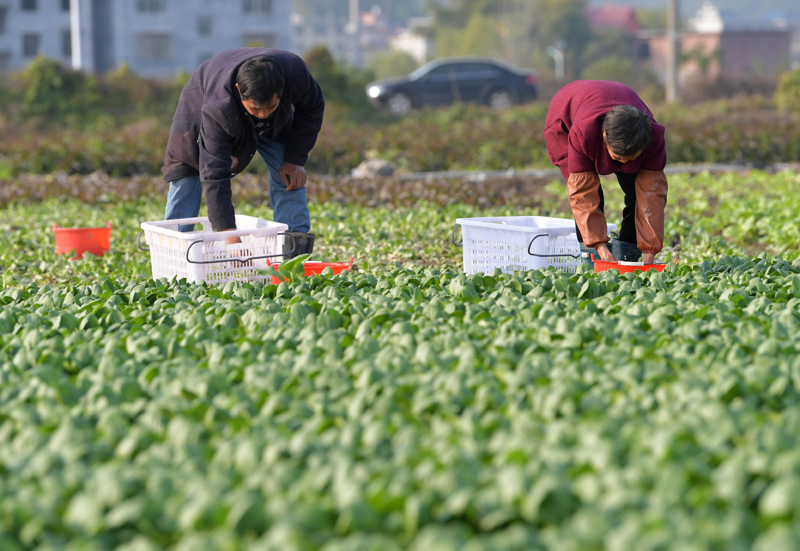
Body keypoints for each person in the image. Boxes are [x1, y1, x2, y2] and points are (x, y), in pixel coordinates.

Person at [162, 48, 325, 257]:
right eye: (257, 109)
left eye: (271, 106)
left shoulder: (295, 73)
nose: (264, 114)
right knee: (186, 176)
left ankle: (293, 254)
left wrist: (295, 159)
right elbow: (214, 173)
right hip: (200, 102)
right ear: (240, 91)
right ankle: (173, 256)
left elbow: (312, 109)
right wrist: (227, 232)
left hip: (278, 124)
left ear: (282, 90)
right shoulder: (218, 109)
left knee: (289, 176)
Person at [543, 80, 668, 264]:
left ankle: (628, 253)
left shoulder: (653, 138)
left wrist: (650, 253)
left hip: (616, 107)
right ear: (604, 137)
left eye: (631, 158)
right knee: (593, 195)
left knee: (636, 192)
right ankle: (591, 257)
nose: (624, 163)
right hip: (565, 119)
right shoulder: (584, 134)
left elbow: (652, 196)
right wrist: (600, 247)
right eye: (618, 157)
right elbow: (583, 195)